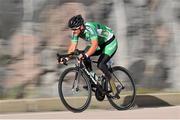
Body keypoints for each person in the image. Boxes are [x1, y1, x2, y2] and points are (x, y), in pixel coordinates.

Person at [59, 14, 118, 96]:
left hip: (110, 42)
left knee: (101, 64)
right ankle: (93, 79)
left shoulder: (90, 29)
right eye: (72, 29)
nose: (73, 31)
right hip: (100, 44)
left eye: (74, 29)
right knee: (84, 54)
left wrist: (86, 55)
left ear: (81, 27)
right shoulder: (76, 32)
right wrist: (66, 58)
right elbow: (72, 47)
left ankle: (113, 85)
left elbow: (94, 45)